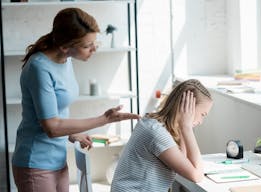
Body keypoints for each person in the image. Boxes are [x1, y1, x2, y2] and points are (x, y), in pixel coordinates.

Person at [11, 8, 139, 192]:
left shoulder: (65, 59)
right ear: (65, 46)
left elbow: (55, 113)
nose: (94, 49)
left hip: (58, 160)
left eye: (95, 42)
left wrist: (72, 134)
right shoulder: (39, 68)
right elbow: (52, 127)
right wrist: (104, 119)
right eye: (87, 46)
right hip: (36, 163)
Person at [111, 79, 213, 192]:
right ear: (188, 107)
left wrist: (183, 127)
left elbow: (183, 161)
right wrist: (186, 128)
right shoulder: (157, 133)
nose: (201, 121)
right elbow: (196, 176)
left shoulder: (152, 123)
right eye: (203, 115)